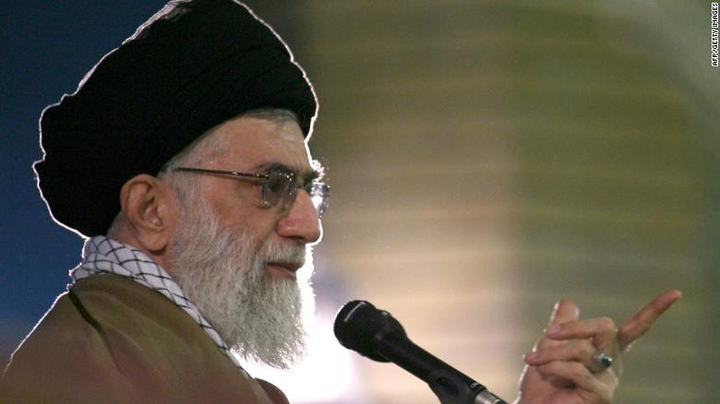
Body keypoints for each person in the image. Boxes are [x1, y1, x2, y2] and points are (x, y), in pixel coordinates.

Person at [0, 0, 681, 403]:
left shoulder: (153, 360)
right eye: (270, 186)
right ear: (152, 211)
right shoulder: (90, 380)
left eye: (309, 188)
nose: (308, 225)